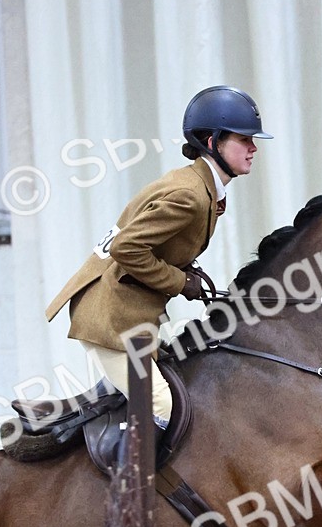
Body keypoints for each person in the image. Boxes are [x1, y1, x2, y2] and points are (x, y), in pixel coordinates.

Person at [45, 85, 272, 427]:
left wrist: (188, 272)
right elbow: (127, 248)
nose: (253, 147)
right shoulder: (190, 195)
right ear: (212, 142)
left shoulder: (201, 187)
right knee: (164, 409)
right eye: (243, 139)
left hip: (132, 316)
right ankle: (132, 482)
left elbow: (160, 244)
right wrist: (181, 281)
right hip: (111, 320)